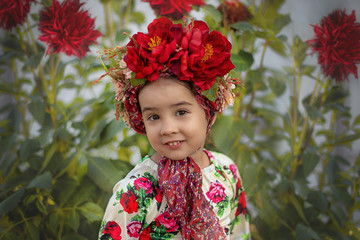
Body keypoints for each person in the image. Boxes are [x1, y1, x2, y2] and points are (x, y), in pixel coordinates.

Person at [97, 16, 251, 240]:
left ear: (211, 113)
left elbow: (239, 232)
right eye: (154, 116)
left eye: (181, 112)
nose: (167, 128)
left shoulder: (226, 171)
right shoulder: (134, 193)